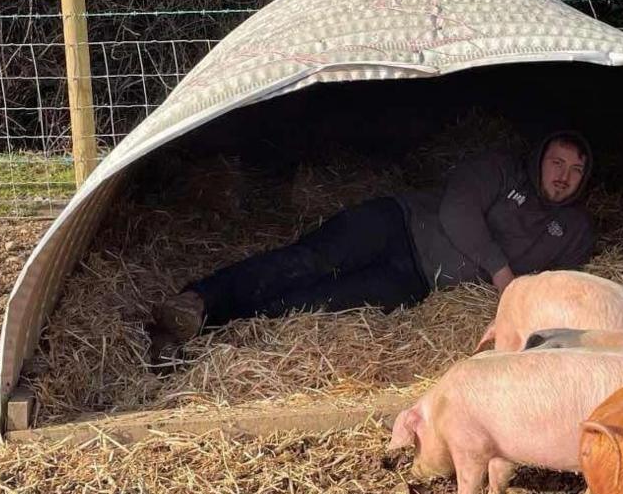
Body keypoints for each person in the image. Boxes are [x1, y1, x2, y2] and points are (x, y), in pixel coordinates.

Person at [147, 130, 596, 360]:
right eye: (556, 162)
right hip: (395, 224)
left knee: (317, 303)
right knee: (307, 261)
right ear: (539, 159)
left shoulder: (574, 230)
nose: (563, 175)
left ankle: (211, 330)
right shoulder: (500, 169)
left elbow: (563, 285)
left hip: (414, 281)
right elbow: (456, 211)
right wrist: (504, 277)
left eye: (575, 170)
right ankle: (198, 301)